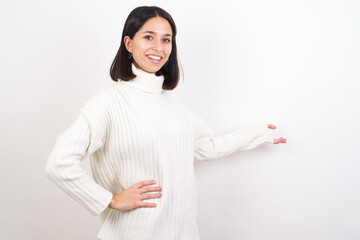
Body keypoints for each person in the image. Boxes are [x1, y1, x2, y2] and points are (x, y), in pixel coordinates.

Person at [45, 5, 287, 240]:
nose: (158, 48)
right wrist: (111, 200)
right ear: (129, 43)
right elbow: (59, 163)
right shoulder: (108, 101)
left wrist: (260, 133)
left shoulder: (172, 105)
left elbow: (207, 146)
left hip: (183, 232)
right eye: (148, 37)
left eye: (166, 40)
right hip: (133, 233)